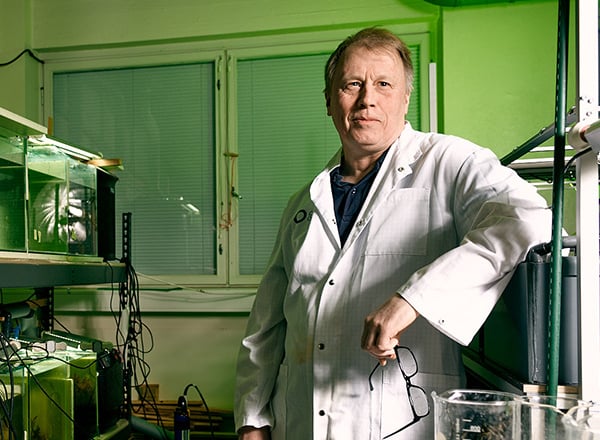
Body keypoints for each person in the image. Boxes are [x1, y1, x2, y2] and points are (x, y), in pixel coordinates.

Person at [234, 27, 552, 440]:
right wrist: (252, 421)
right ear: (330, 101)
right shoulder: (302, 203)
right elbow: (266, 326)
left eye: (384, 84)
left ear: (405, 99)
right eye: (352, 85)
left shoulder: (448, 162)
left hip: (399, 423)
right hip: (299, 423)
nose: (367, 99)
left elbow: (528, 220)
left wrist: (413, 298)